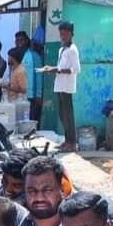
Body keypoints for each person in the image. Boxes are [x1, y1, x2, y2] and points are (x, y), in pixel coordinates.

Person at [45, 21, 81, 152]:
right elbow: (61, 67)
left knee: (68, 115)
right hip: (60, 85)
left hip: (67, 86)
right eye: (61, 34)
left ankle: (72, 142)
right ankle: (67, 140)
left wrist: (57, 70)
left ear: (71, 34)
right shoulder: (62, 49)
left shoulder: (73, 50)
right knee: (62, 115)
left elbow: (76, 69)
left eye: (65, 34)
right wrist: (53, 69)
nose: (63, 36)